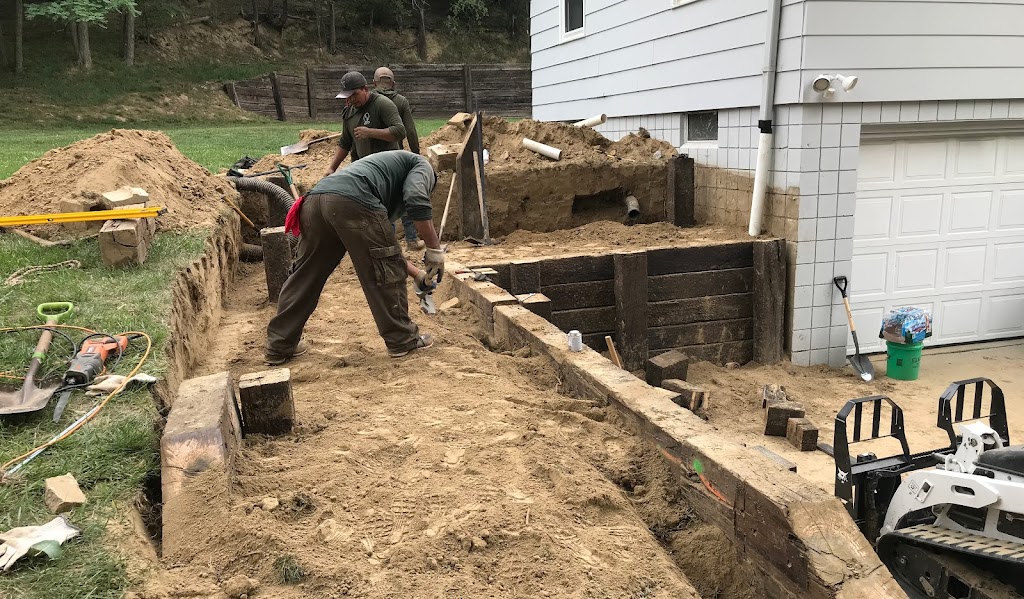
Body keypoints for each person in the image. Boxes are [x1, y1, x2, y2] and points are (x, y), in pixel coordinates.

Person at [265, 150, 444, 365]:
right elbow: (416, 198)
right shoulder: (422, 166)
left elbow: (380, 250)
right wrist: (435, 251)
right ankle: (402, 340)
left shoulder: (381, 173)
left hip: (315, 201)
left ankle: (280, 345)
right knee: (385, 274)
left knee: (305, 275)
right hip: (350, 200)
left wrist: (417, 274)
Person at [373, 66, 425, 251]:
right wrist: (416, 155)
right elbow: (410, 131)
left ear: (374, 83)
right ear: (393, 84)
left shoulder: (369, 102)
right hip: (397, 159)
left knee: (382, 202)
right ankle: (412, 240)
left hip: (372, 162)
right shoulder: (401, 101)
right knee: (404, 198)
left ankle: (390, 243)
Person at [323, 71, 406, 177]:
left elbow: (400, 131)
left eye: (354, 94)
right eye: (348, 96)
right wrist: (332, 168)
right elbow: (345, 142)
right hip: (363, 170)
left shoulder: (382, 104)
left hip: (387, 168)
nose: (351, 99)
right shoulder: (349, 112)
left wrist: (370, 132)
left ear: (365, 89)